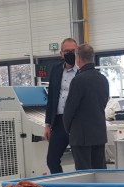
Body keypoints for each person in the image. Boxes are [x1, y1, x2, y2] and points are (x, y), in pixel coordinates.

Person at [63, 43, 110, 170]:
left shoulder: (78, 80)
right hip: (99, 133)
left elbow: (69, 109)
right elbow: (104, 103)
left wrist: (68, 129)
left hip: (81, 135)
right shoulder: (103, 79)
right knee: (100, 172)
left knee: (84, 173)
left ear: (78, 58)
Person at [43, 37, 78, 174]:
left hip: (76, 122)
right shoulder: (56, 69)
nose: (69, 54)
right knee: (52, 160)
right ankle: (61, 185)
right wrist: (47, 124)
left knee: (80, 160)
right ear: (61, 53)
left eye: (73, 51)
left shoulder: (81, 71)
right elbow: (51, 97)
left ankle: (80, 185)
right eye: (66, 51)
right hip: (58, 122)